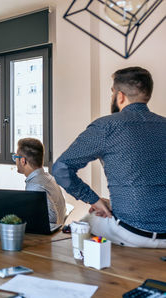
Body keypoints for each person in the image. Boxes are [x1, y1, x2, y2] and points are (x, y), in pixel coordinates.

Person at [53, 66, 166, 248]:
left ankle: (92, 273)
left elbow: (61, 168)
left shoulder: (107, 126)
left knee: (88, 220)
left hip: (133, 233)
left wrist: (94, 200)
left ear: (119, 96)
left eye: (112, 93)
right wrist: (116, 202)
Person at [13, 138, 66, 225]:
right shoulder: (49, 178)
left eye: (15, 157)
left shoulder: (35, 186)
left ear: (23, 161)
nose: (15, 161)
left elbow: (51, 220)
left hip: (46, 237)